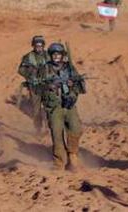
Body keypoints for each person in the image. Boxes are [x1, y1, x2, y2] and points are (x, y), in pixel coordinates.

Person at [37, 43, 86, 171]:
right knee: (57, 134)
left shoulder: (70, 68)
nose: (56, 57)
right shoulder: (44, 69)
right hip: (53, 107)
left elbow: (80, 85)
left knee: (76, 129)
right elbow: (35, 86)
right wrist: (49, 86)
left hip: (69, 105)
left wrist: (72, 87)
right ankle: (59, 162)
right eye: (54, 54)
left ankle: (72, 155)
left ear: (62, 55)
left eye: (58, 54)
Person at [18, 36, 49, 135]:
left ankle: (49, 127)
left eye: (40, 45)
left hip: (47, 85)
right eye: (37, 45)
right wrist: (30, 75)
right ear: (33, 46)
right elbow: (21, 70)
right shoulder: (28, 57)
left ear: (43, 46)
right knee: (36, 109)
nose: (39, 47)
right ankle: (38, 129)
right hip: (34, 86)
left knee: (49, 106)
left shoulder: (48, 55)